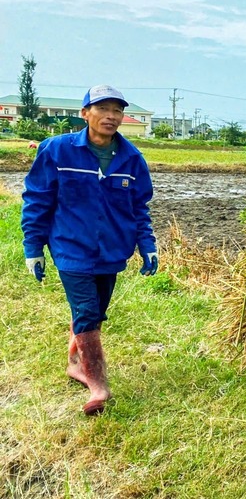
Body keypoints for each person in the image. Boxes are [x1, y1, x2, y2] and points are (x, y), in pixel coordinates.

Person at [21, 84, 159, 416]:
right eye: (102, 109)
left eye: (117, 110)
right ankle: (98, 384)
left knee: (95, 312)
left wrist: (148, 246)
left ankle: (75, 363)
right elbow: (38, 199)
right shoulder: (57, 150)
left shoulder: (132, 159)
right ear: (85, 113)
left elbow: (139, 208)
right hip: (71, 247)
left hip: (112, 250)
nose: (111, 116)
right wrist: (33, 246)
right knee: (86, 311)